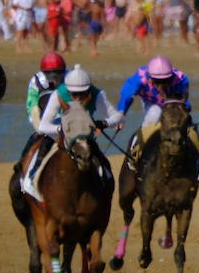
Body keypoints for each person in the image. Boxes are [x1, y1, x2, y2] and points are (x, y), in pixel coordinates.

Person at [20, 65, 124, 200]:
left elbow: (118, 118)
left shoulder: (97, 94)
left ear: (89, 89)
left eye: (83, 93)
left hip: (84, 137)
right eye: (74, 94)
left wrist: (104, 123)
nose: (78, 98)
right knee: (43, 147)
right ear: (68, 89)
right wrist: (63, 130)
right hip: (59, 134)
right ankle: (31, 177)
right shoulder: (59, 93)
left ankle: (106, 180)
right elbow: (44, 126)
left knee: (100, 161)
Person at [116, 54, 196, 165]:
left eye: (166, 81)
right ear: (150, 78)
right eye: (157, 82)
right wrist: (121, 116)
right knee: (155, 114)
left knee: (189, 129)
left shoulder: (181, 79)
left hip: (173, 103)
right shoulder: (139, 79)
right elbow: (126, 96)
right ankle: (136, 148)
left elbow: (182, 101)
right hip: (151, 101)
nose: (161, 86)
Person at [25, 52, 67, 131]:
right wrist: (39, 127)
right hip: (44, 122)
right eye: (49, 74)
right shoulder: (36, 81)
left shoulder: (70, 79)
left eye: (58, 74)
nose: (53, 78)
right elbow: (31, 106)